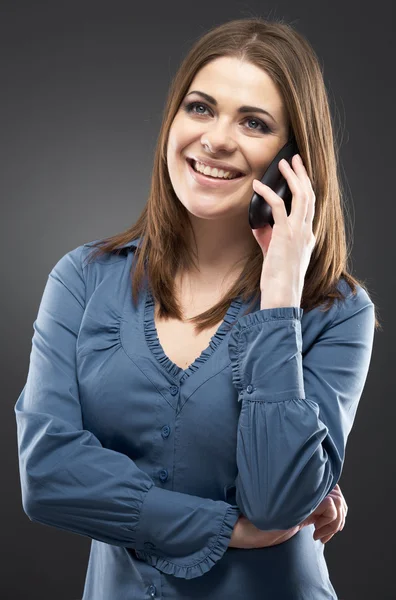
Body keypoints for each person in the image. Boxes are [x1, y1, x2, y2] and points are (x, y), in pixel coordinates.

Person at [14, 16, 378, 600]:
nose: (215, 138)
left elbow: (278, 501)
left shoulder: (336, 312)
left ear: (295, 162)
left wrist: (279, 293)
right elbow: (49, 476)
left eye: (254, 122)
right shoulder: (83, 279)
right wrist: (227, 527)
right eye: (201, 108)